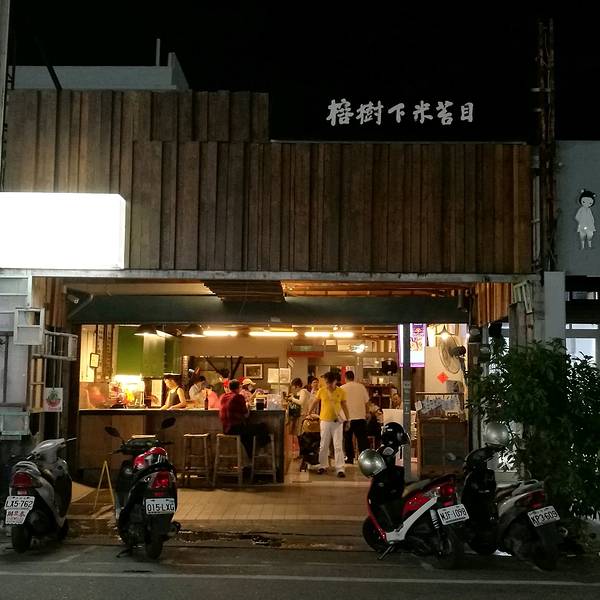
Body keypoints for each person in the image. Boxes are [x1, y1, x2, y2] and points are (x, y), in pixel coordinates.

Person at [308, 371, 350, 478]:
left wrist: (348, 419)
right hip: (325, 421)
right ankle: (322, 465)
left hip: (337, 422)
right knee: (323, 444)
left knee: (338, 445)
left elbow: (344, 405)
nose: (328, 385)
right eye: (326, 382)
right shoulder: (322, 391)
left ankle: (340, 468)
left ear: (335, 381)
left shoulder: (341, 391)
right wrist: (309, 413)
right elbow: (315, 402)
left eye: (330, 382)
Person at [219, 379, 269, 459]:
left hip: (225, 429)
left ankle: (250, 459)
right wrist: (247, 407)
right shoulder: (238, 397)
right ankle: (262, 450)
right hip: (235, 428)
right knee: (262, 426)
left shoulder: (222, 396)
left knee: (247, 436)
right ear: (239, 387)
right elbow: (246, 415)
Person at [341, 371, 370, 464]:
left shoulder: (342, 388)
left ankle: (350, 458)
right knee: (362, 439)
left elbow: (340, 403)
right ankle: (364, 458)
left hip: (347, 418)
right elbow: (367, 402)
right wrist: (367, 412)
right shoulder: (361, 387)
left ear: (345, 378)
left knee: (348, 439)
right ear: (353, 377)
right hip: (360, 416)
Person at [286, 377, 311, 448]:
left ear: (296, 385)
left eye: (293, 386)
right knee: (298, 434)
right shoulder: (299, 392)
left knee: (301, 434)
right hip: (299, 414)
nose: (292, 387)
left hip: (302, 415)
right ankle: (301, 450)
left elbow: (301, 402)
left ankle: (302, 450)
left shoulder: (303, 391)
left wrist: (292, 399)